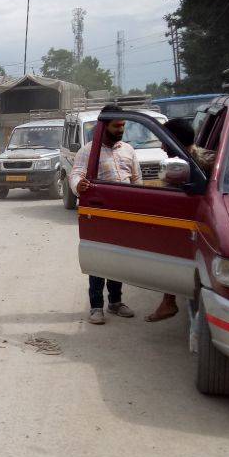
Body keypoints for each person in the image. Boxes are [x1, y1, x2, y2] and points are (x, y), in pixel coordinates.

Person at [69, 117, 138, 324]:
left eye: (123, 126)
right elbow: (76, 175)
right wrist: (78, 186)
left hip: (123, 215)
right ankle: (96, 307)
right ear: (104, 126)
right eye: (116, 125)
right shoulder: (88, 151)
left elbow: (136, 180)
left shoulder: (128, 150)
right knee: (99, 260)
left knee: (118, 259)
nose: (121, 129)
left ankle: (115, 303)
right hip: (99, 214)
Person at [146, 118, 211, 322]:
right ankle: (169, 300)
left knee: (168, 251)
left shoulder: (205, 161)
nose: (163, 147)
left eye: (165, 141)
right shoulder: (181, 161)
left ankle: (169, 301)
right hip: (186, 222)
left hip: (202, 225)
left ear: (175, 140)